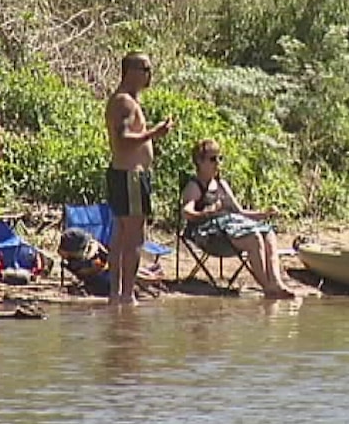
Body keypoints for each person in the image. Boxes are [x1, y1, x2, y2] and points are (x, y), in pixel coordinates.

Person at [181, 138, 296, 299]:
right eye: (213, 159)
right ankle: (267, 288)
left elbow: (240, 212)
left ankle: (277, 283)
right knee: (254, 237)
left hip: (230, 230)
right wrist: (208, 212)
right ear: (199, 161)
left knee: (268, 233)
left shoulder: (221, 184)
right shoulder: (194, 186)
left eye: (220, 158)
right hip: (209, 236)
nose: (218, 163)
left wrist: (264, 214)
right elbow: (186, 213)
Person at [104, 52, 174, 305]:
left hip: (126, 175)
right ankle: (125, 295)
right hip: (130, 176)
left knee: (122, 235)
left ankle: (118, 294)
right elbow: (122, 139)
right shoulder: (124, 102)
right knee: (133, 236)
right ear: (131, 71)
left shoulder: (126, 100)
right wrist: (154, 133)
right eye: (145, 68)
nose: (149, 74)